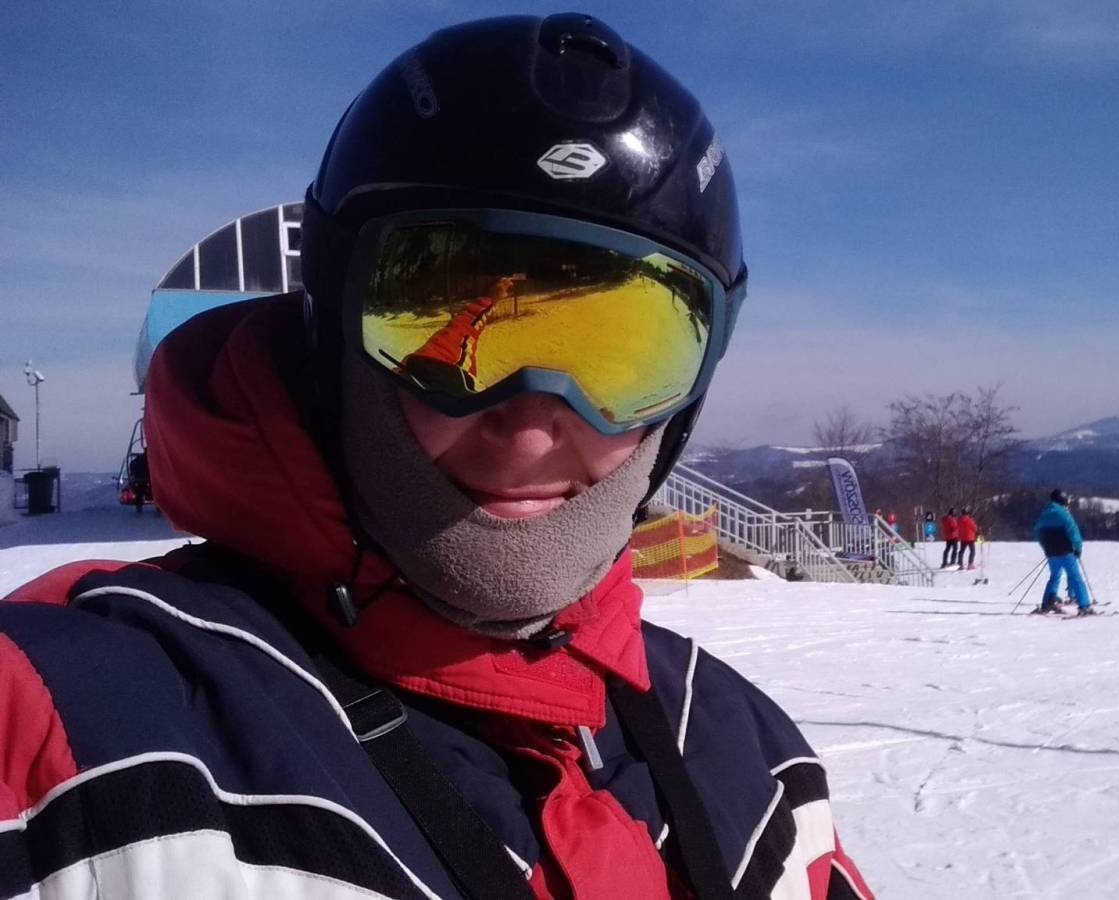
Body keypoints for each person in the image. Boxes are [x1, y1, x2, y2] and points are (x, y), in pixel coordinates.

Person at [0, 16, 872, 900]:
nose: (530, 434)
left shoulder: (755, 768)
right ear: (332, 338)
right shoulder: (82, 734)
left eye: (624, 353)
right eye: (436, 330)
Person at [1034, 489, 1095, 615]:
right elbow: (1073, 532)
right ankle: (1084, 606)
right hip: (1066, 551)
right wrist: (1078, 548)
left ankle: (1048, 602)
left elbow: (1038, 532)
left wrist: (1045, 546)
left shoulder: (1044, 514)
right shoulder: (1063, 514)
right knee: (1075, 577)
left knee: (1054, 577)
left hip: (1051, 552)